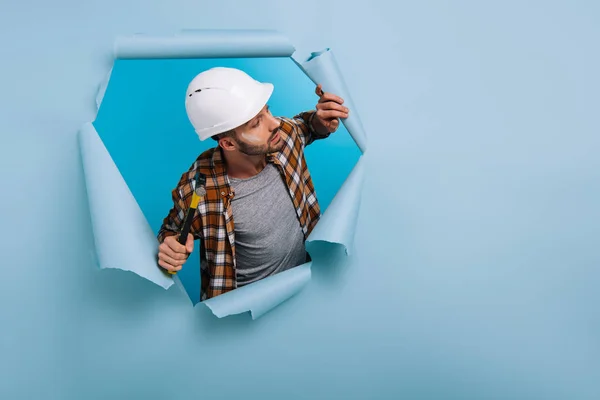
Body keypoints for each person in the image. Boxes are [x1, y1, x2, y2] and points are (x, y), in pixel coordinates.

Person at [156, 67, 349, 300]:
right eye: (257, 123)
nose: (274, 124)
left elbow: (306, 127)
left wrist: (322, 120)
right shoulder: (198, 189)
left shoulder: (283, 137)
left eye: (267, 111)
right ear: (227, 144)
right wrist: (169, 246)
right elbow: (172, 232)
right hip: (247, 313)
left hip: (306, 288)